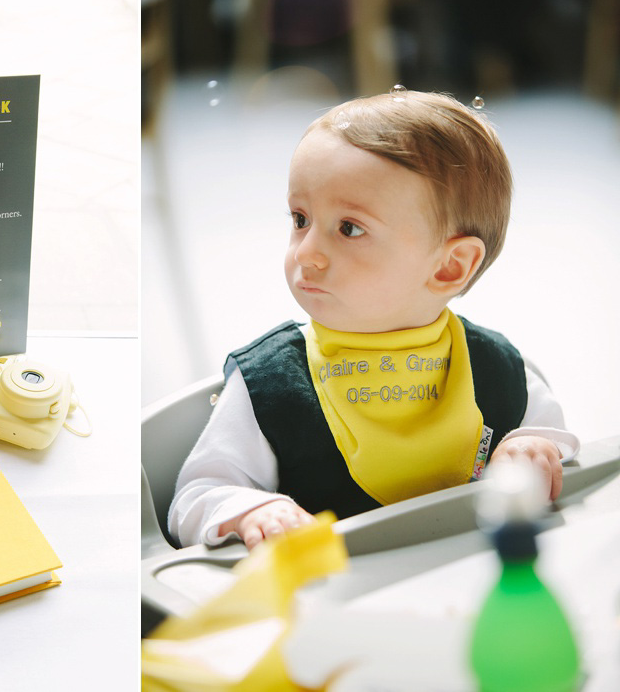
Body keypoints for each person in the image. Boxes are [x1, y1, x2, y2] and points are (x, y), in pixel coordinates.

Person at [168, 90, 578, 550]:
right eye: (301, 219)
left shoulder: (500, 370)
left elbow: (558, 451)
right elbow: (194, 499)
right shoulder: (269, 386)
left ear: (450, 266)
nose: (306, 253)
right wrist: (251, 511)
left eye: (349, 228)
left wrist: (531, 448)